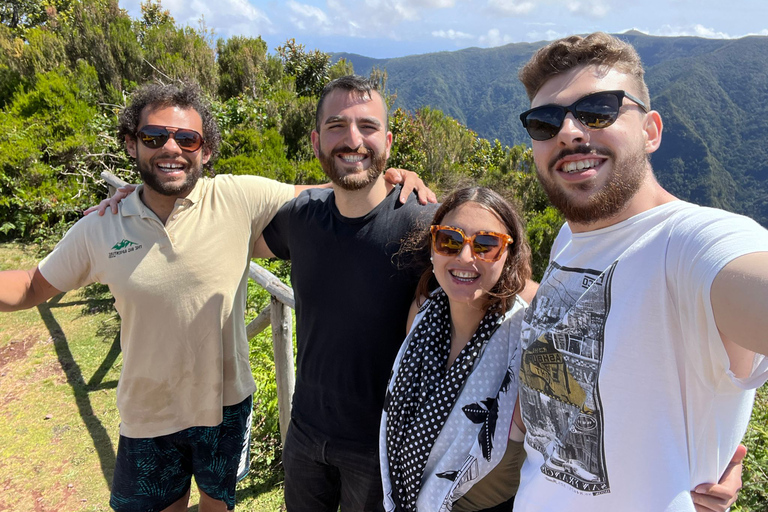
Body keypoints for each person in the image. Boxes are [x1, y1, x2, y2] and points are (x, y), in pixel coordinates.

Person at [0, 81, 431, 512]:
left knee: (217, 506)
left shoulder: (236, 198)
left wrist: (394, 177)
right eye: (154, 137)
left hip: (225, 406)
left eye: (187, 138)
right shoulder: (102, 226)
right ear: (131, 144)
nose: (171, 148)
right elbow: (31, 286)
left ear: (205, 150)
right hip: (149, 412)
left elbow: (338, 188)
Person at [513, 32, 768, 511]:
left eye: (598, 110)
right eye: (545, 122)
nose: (568, 131)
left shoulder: (694, 245)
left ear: (651, 131)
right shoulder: (574, 237)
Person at [252, 75, 441, 512]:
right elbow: (220, 232)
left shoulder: (422, 223)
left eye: (367, 127)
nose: (352, 139)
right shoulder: (300, 218)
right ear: (317, 140)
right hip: (304, 431)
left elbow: (496, 276)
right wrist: (150, 200)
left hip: (380, 446)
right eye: (337, 126)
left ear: (388, 142)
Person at [380, 186, 531, 512]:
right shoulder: (421, 314)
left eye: (486, 245)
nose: (464, 257)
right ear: (433, 246)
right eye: (449, 239)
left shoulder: (525, 347)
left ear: (508, 256)